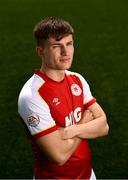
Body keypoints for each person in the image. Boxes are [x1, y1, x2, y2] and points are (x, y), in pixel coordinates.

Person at [18, 17, 109, 179]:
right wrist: (83, 123)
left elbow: (103, 126)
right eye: (56, 46)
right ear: (40, 51)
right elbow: (58, 156)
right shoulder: (32, 95)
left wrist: (70, 130)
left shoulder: (77, 79)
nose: (66, 52)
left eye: (69, 44)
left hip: (88, 175)